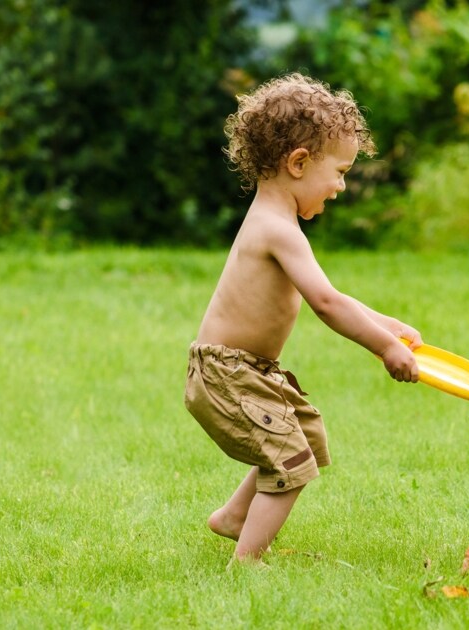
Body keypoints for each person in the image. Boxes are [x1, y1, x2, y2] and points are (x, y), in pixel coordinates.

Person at [184, 73, 421, 565]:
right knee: (289, 459)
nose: (341, 185)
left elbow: (332, 295)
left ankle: (233, 517)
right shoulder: (277, 229)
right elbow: (327, 306)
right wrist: (384, 348)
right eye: (339, 172)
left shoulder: (277, 222)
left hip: (247, 370)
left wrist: (387, 324)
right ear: (298, 163)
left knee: (305, 435)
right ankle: (247, 561)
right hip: (228, 373)